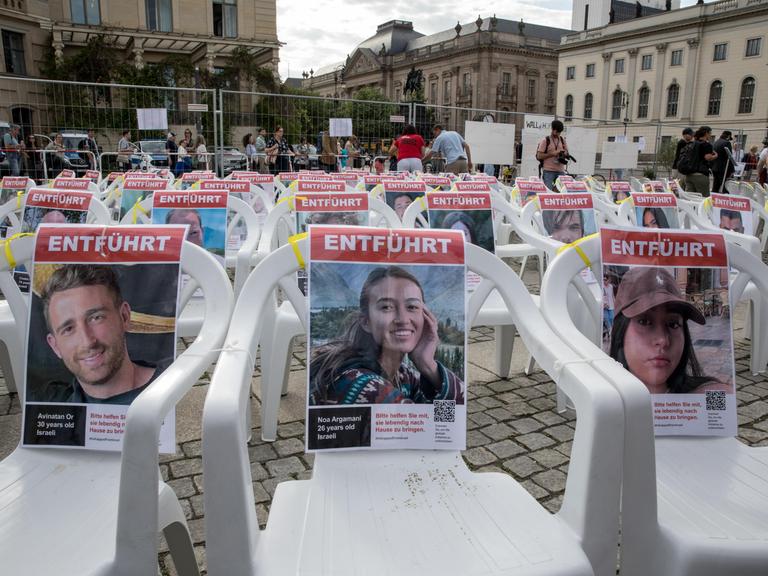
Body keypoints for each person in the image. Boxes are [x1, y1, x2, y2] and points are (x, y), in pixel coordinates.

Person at [309, 266, 464, 405]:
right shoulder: (368, 389)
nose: (403, 319)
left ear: (426, 317)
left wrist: (428, 366)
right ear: (366, 322)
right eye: (387, 307)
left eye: (412, 306)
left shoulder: (402, 374)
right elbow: (443, 428)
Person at [36, 265, 162, 404]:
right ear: (55, 347)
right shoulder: (53, 417)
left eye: (96, 318)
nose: (87, 342)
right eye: (69, 329)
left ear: (124, 316)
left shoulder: (172, 388)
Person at [609, 267, 730, 394]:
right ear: (620, 332)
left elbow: (720, 408)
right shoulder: (601, 402)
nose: (662, 340)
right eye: (644, 322)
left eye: (673, 324)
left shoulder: (707, 394)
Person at [535, 120, 569, 192]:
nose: (558, 134)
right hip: (548, 171)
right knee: (548, 192)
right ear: (553, 129)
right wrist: (552, 154)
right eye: (557, 132)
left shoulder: (562, 140)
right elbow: (539, 156)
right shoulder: (546, 140)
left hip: (560, 171)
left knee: (561, 191)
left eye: (560, 132)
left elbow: (566, 151)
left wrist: (564, 154)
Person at [684, 126, 717, 196]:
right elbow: (707, 158)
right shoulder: (706, 145)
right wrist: (715, 156)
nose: (710, 135)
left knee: (690, 198)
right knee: (704, 199)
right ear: (706, 133)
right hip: (701, 175)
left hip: (689, 174)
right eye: (710, 133)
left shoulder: (693, 144)